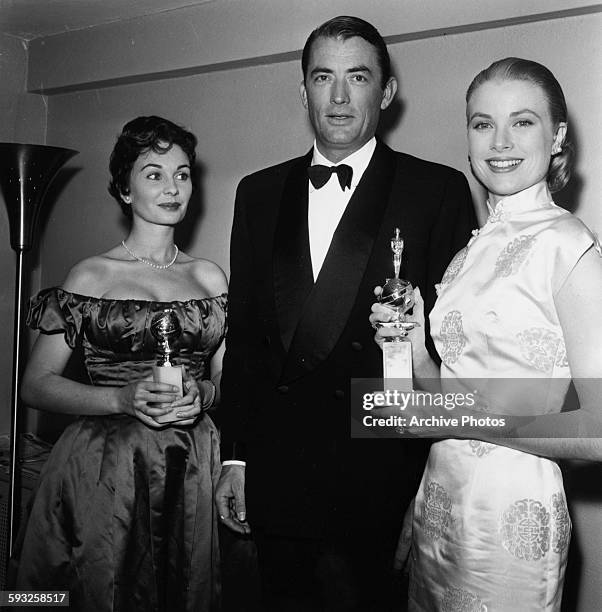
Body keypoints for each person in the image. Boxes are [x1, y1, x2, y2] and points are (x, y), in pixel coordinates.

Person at [216, 15, 476, 610]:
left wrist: (424, 484)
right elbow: (249, 335)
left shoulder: (436, 190)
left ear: (385, 92)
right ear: (302, 89)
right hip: (278, 471)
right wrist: (236, 456)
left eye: (356, 78)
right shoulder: (257, 193)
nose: (337, 96)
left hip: (380, 473)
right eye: (322, 78)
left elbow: (450, 352)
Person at [371, 58, 602, 611]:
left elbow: (596, 431)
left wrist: (459, 416)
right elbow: (445, 395)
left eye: (522, 122)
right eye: (481, 123)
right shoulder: (468, 251)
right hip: (441, 507)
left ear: (557, 137)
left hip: (512, 518)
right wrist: (409, 347)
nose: (499, 141)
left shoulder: (568, 245)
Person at [13, 116, 227, 611]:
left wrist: (208, 394)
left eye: (182, 173)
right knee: (93, 589)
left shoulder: (211, 278)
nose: (173, 187)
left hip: (192, 466)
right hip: (104, 468)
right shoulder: (92, 274)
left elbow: (227, 377)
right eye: (154, 174)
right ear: (125, 190)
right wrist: (120, 398)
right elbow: (36, 385)